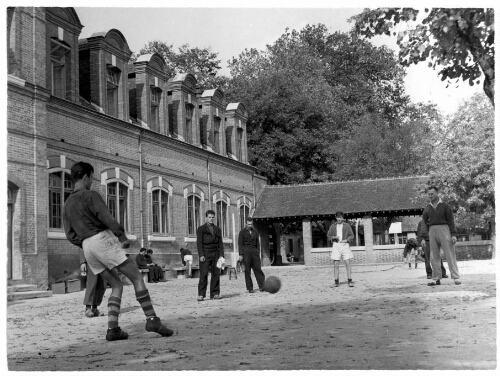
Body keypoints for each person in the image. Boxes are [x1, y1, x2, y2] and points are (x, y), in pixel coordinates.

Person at [63, 161, 173, 341]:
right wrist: (121, 236)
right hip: (101, 239)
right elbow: (106, 217)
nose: (92, 181)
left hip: (86, 246)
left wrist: (85, 242)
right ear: (85, 177)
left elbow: (69, 234)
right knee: (136, 276)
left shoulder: (67, 203)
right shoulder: (90, 195)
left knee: (116, 284)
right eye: (91, 177)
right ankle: (152, 319)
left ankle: (113, 329)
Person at [420, 186, 461, 286]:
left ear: (437, 193)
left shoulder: (445, 206)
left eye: (432, 193)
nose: (430, 195)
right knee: (434, 256)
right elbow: (424, 223)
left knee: (450, 254)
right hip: (432, 231)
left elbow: (451, 221)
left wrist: (453, 234)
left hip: (445, 230)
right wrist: (423, 238)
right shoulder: (427, 208)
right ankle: (436, 279)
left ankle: (456, 278)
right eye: (429, 194)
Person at [196, 209, 224, 301]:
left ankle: (215, 293)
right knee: (203, 274)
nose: (211, 219)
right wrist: (201, 255)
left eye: (213, 217)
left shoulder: (217, 229)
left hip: (215, 253)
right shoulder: (201, 229)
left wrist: (221, 255)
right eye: (209, 217)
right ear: (206, 218)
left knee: (216, 274)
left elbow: (220, 243)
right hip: (205, 253)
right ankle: (201, 294)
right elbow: (199, 243)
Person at [327, 211, 355, 287]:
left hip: (345, 245)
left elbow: (352, 235)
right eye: (338, 217)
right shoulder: (333, 226)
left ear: (343, 218)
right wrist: (334, 237)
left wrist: (346, 240)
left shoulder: (347, 226)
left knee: (347, 262)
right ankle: (336, 281)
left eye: (341, 217)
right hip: (336, 245)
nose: (339, 218)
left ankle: (350, 281)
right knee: (336, 263)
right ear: (336, 217)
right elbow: (328, 235)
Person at [238, 217, 265, 293]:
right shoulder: (242, 232)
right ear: (246, 223)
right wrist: (241, 254)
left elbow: (258, 243)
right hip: (246, 251)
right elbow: (240, 244)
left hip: (254, 251)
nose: (250, 225)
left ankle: (262, 286)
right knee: (247, 271)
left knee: (258, 269)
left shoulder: (255, 231)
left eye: (251, 224)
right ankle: (250, 288)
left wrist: (258, 252)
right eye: (248, 224)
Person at [80, 249, 107, 318]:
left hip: (103, 261)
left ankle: (95, 308)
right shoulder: (87, 237)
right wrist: (83, 262)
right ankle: (88, 308)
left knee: (102, 285)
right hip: (91, 260)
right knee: (92, 284)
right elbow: (82, 246)